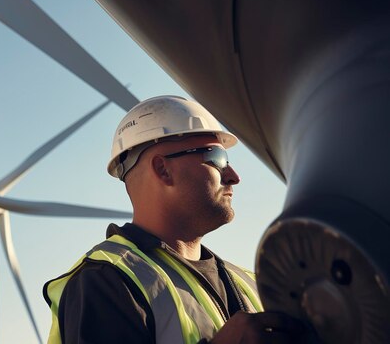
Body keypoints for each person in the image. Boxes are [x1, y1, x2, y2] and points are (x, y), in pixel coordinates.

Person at [43, 96, 309, 343]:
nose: (233, 176)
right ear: (163, 169)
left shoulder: (250, 282)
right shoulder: (104, 281)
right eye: (217, 158)